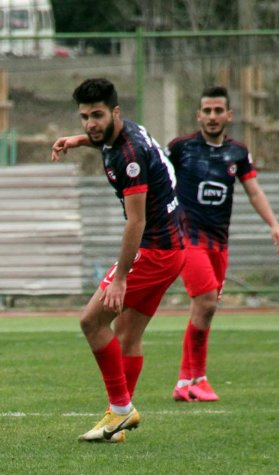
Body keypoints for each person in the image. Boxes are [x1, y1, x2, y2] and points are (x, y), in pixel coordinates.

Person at [50, 78, 185, 443]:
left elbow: (136, 220)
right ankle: (118, 420)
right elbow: (102, 140)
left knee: (91, 322)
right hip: (173, 250)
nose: (90, 123)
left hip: (154, 251)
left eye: (97, 115)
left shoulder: (129, 156)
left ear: (115, 112)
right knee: (127, 335)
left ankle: (122, 410)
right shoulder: (124, 133)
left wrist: (121, 278)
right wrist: (77, 141)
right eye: (84, 117)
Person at [167, 86, 279, 402]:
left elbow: (254, 191)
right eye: (206, 111)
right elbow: (158, 177)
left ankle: (185, 383)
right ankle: (198, 378)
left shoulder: (237, 152)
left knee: (204, 309)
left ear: (229, 115)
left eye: (218, 110)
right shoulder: (181, 148)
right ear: (198, 115)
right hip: (187, 239)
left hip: (219, 243)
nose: (212, 116)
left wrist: (273, 224)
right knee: (206, 302)